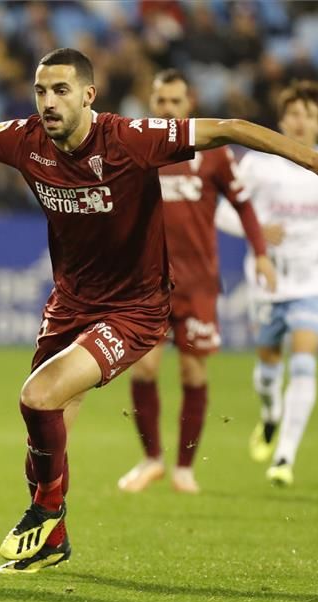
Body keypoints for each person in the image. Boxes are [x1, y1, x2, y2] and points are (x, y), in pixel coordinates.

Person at [0, 48, 318, 574]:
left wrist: (311, 158)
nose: (48, 101)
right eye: (41, 91)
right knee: (44, 437)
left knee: (38, 397)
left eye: (61, 90)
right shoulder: (25, 140)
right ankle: (54, 537)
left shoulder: (132, 138)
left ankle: (49, 510)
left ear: (89, 95)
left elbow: (227, 128)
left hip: (135, 308)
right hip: (70, 303)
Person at [116, 69, 277, 496]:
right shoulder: (139, 149)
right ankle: (151, 459)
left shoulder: (213, 154)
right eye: (160, 101)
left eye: (175, 102)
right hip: (146, 283)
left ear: (189, 105)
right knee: (145, 367)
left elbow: (243, 206)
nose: (167, 109)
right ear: (152, 104)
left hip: (198, 285)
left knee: (192, 372)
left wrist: (260, 253)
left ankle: (185, 468)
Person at [215, 80, 318, 487]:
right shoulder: (259, 164)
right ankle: (270, 414)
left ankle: (284, 456)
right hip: (268, 279)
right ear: (282, 119)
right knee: (267, 368)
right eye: (294, 113)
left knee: (305, 361)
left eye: (309, 115)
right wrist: (255, 230)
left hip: (313, 278)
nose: (300, 121)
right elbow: (224, 213)